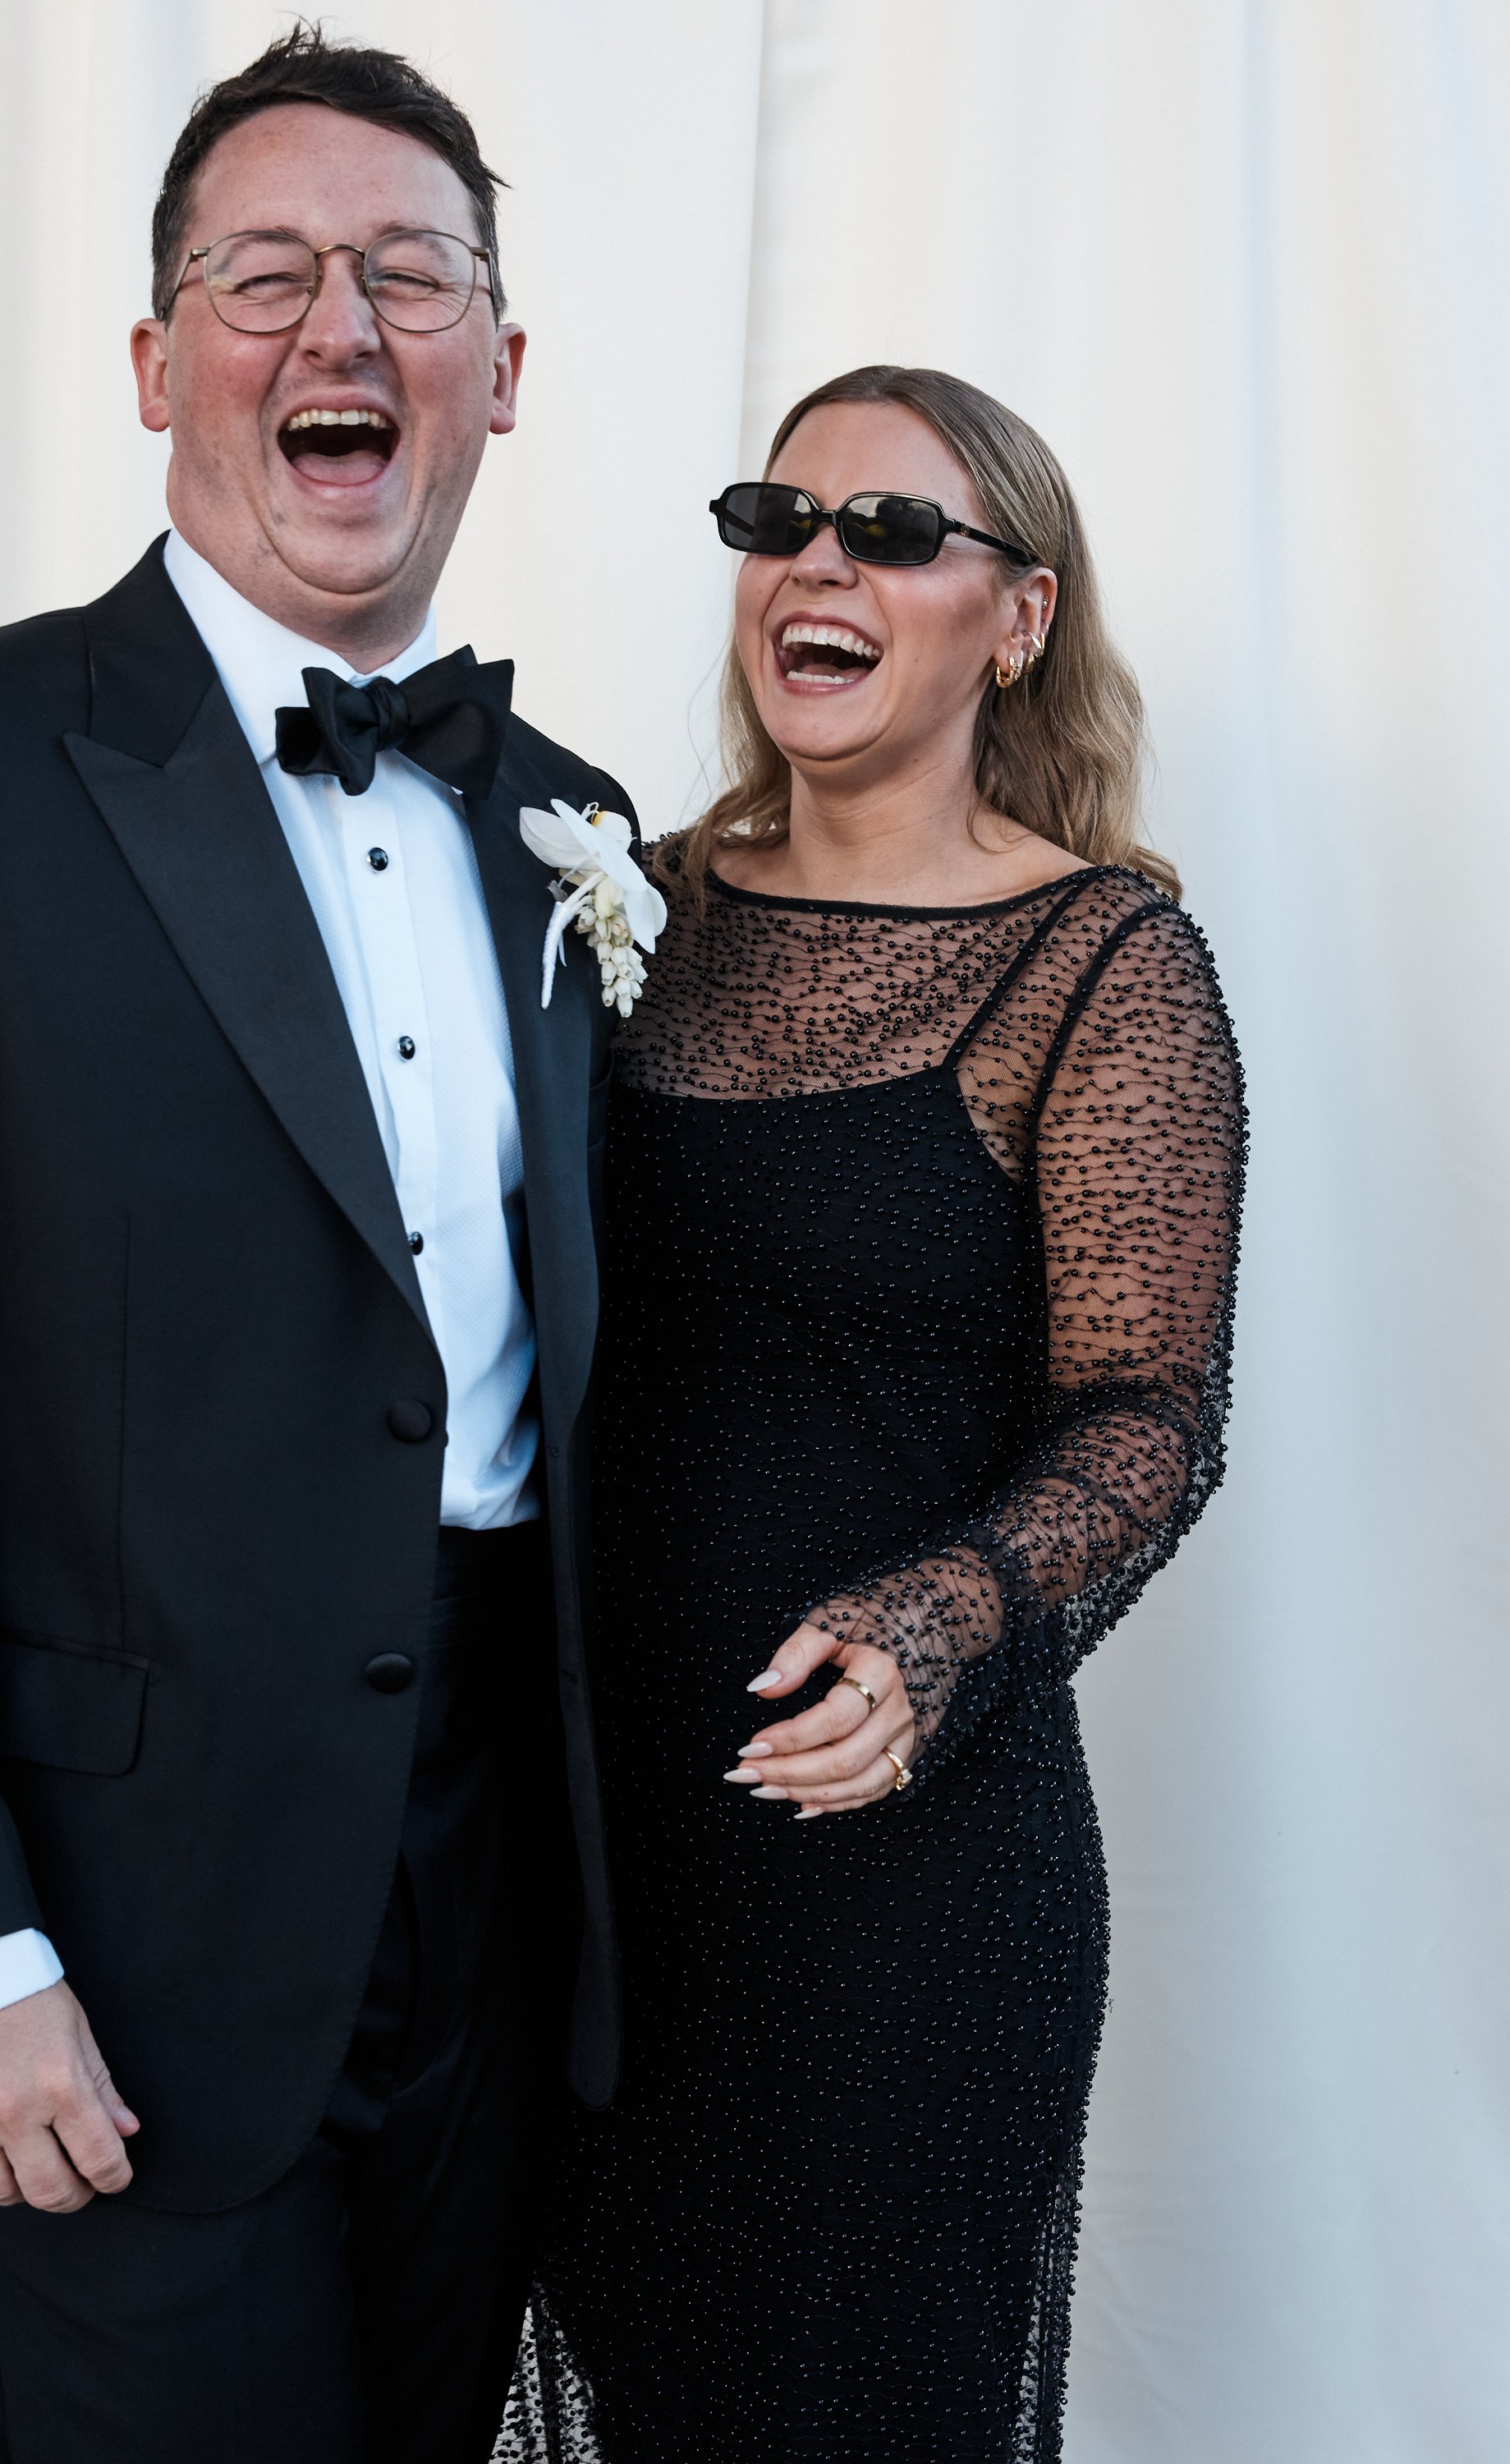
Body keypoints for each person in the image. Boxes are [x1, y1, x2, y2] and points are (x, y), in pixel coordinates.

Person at [0, 30, 631, 2464]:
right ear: (152, 360)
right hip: (103, 1941)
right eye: (267, 274)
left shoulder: (571, 819)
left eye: (412, 279)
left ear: (501, 372)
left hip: (503, 1923)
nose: (344, 329)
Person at [516, 367, 1245, 2463]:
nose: (817, 563)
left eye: (894, 532)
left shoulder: (1106, 963)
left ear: (1014, 615)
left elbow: (1152, 1415)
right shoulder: (624, 904)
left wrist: (943, 1623)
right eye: (782, 517)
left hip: (900, 1876)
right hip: (586, 1857)